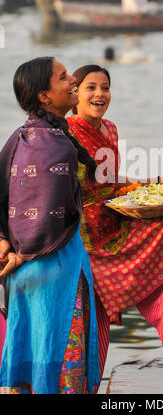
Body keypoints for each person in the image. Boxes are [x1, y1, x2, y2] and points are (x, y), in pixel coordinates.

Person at [67, 65, 163, 377]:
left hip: (115, 212)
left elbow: (111, 179)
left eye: (105, 87)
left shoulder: (109, 129)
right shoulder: (67, 133)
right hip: (84, 230)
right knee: (90, 314)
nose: (100, 94)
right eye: (91, 87)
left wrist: (156, 183)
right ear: (75, 95)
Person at [0, 57, 100, 394]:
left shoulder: (20, 137)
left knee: (30, 358)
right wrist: (22, 253)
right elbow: (48, 213)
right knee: (60, 365)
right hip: (55, 270)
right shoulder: (55, 145)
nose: (73, 79)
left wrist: (8, 247)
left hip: (23, 273)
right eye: (62, 77)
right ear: (45, 96)